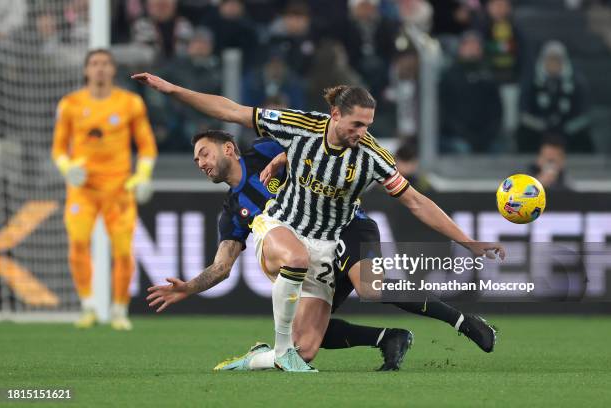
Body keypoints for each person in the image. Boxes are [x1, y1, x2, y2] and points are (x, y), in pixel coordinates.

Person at [131, 72, 505, 372]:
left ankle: (268, 356)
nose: (363, 133)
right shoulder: (296, 130)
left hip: (337, 233)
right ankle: (282, 351)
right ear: (335, 115)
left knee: (321, 334)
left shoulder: (370, 155)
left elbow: (415, 202)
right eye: (357, 124)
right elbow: (231, 110)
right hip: (286, 229)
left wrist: (467, 241)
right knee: (297, 277)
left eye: (368, 125)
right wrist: (171, 88)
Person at [52, 50, 157, 331]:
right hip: (82, 188)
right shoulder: (71, 104)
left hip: (118, 188)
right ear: (87, 70)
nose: (100, 69)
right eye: (95, 64)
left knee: (123, 252)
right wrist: (66, 168)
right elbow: (59, 148)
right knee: (77, 244)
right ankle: (88, 306)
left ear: (113, 70)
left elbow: (146, 146)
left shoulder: (130, 103)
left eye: (105, 64)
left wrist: (143, 176)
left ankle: (119, 310)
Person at [517, 41, 592, 153]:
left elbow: (583, 112)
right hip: (538, 129)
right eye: (550, 59)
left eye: (557, 60)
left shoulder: (576, 82)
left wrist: (566, 128)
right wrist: (541, 126)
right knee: (524, 134)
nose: (553, 63)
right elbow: (524, 109)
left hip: (568, 130)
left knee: (583, 137)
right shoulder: (531, 81)